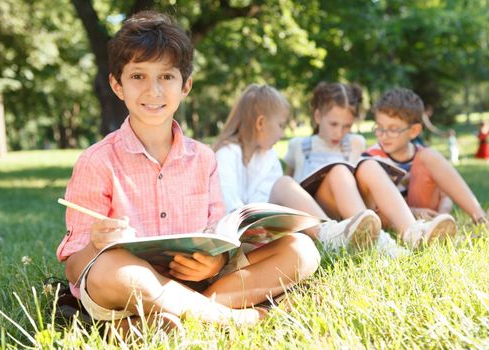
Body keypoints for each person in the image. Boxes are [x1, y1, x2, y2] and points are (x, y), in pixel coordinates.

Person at [56, 11, 321, 328]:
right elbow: (75, 269)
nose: (153, 91)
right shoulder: (97, 161)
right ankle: (242, 318)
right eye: (138, 76)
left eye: (166, 77)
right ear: (117, 85)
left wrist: (213, 264)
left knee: (302, 249)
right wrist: (96, 244)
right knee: (114, 270)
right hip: (130, 284)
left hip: (203, 283)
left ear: (186, 85)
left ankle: (155, 321)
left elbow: (217, 238)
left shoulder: (204, 158)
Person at [283, 82, 457, 252]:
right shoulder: (298, 146)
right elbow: (291, 187)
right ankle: (379, 242)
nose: (339, 132)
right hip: (320, 210)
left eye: (347, 126)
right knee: (339, 171)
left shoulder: (355, 142)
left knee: (369, 165)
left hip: (353, 207)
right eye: (334, 124)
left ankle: (412, 231)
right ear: (318, 117)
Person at [213, 84, 381, 253]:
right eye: (281, 125)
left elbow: (271, 201)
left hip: (267, 226)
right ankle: (328, 235)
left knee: (284, 185)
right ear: (261, 123)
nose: (282, 134)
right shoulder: (227, 154)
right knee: (285, 183)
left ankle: (330, 233)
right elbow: (228, 209)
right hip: (238, 235)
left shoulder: (268, 156)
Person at [365, 88, 489, 225]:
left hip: (426, 212)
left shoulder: (424, 157)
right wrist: (411, 212)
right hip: (389, 217)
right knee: (368, 169)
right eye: (379, 127)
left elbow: (445, 197)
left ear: (414, 131)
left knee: (429, 155)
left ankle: (480, 217)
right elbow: (369, 207)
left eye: (393, 129)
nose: (383, 134)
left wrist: (442, 215)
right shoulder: (370, 158)